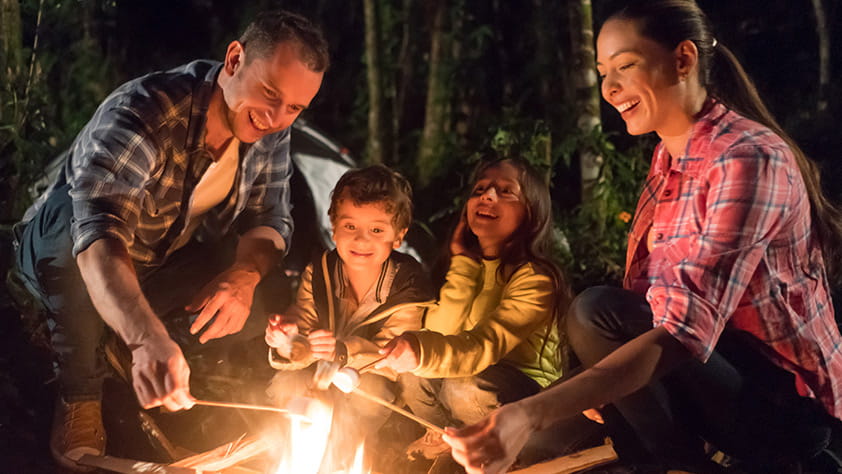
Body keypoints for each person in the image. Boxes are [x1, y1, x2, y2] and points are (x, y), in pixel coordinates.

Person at [442, 1, 842, 473]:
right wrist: (593, 389)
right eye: (602, 71)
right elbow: (648, 305)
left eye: (626, 66)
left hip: (782, 404)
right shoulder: (667, 160)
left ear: (683, 60)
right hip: (712, 375)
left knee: (594, 314)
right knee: (575, 366)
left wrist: (533, 411)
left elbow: (679, 334)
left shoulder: (748, 160)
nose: (611, 88)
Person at [12, 10, 328, 471]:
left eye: (295, 109)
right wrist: (145, 340)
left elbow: (270, 218)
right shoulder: (148, 110)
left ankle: (161, 364)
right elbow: (98, 233)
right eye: (271, 94)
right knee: (72, 224)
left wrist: (242, 277)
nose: (277, 118)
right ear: (235, 59)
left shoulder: (270, 132)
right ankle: (80, 392)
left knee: (257, 292)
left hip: (156, 262)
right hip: (63, 254)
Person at [376, 158, 573, 470]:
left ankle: (511, 453)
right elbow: (442, 334)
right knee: (416, 375)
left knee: (464, 385)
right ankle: (450, 440)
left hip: (524, 396)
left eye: (506, 191)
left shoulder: (536, 278)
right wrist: (464, 266)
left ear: (532, 213)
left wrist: (423, 351)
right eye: (480, 189)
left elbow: (485, 344)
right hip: (470, 377)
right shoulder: (469, 267)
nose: (487, 196)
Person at [264, 165, 435, 469]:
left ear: (398, 236)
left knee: (367, 397)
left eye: (377, 230)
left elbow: (392, 354)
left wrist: (344, 353)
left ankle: (344, 461)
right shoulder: (321, 271)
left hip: (373, 378)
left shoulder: (408, 284)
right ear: (333, 226)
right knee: (285, 386)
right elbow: (302, 321)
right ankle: (294, 458)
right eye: (350, 227)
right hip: (319, 371)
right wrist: (287, 339)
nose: (361, 240)